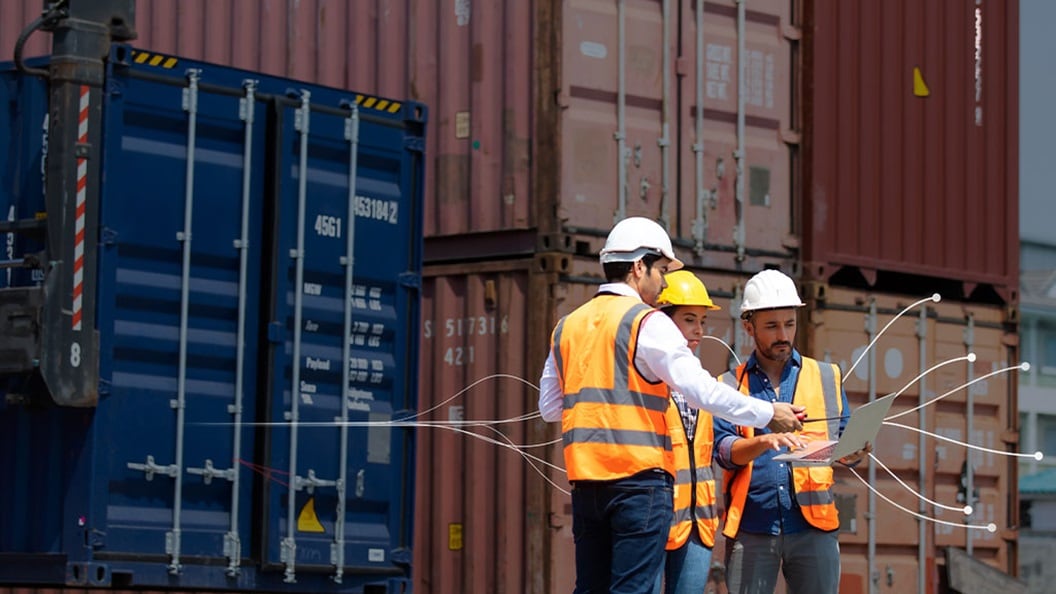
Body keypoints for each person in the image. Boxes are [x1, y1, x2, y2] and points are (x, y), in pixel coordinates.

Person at [538, 217, 805, 594]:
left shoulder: (568, 325)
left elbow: (550, 407)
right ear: (637, 267)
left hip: (586, 486)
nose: (663, 282)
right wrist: (768, 414)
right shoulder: (646, 322)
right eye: (661, 270)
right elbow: (699, 390)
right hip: (639, 483)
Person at [713, 269, 870, 594]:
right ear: (748, 327)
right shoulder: (728, 386)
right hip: (752, 526)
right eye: (771, 326)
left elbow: (841, 443)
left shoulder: (827, 376)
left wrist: (853, 452)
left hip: (814, 525)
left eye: (789, 323)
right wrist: (764, 440)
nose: (783, 334)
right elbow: (725, 452)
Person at [652, 270, 722, 594]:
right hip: (655, 519)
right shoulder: (648, 379)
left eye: (703, 321)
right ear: (665, 323)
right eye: (690, 319)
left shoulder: (703, 381)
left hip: (698, 523)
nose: (699, 330)